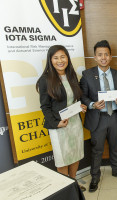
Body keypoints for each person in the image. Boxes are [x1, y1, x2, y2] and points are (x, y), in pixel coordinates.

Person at [80, 40, 117, 192]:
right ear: (94, 57)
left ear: (111, 56)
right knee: (97, 150)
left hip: (114, 116)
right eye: (100, 55)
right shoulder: (87, 75)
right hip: (98, 118)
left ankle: (116, 170)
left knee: (115, 146)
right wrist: (92, 105)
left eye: (106, 54)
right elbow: (83, 96)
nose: (103, 57)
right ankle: (95, 176)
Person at [36, 45, 87, 191]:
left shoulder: (71, 75)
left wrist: (80, 106)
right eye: (56, 57)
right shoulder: (45, 80)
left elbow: (73, 99)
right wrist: (56, 123)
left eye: (63, 57)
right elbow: (45, 107)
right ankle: (67, 189)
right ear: (50, 60)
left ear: (67, 58)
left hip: (74, 123)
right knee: (62, 160)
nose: (60, 61)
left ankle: (73, 183)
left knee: (75, 155)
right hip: (59, 126)